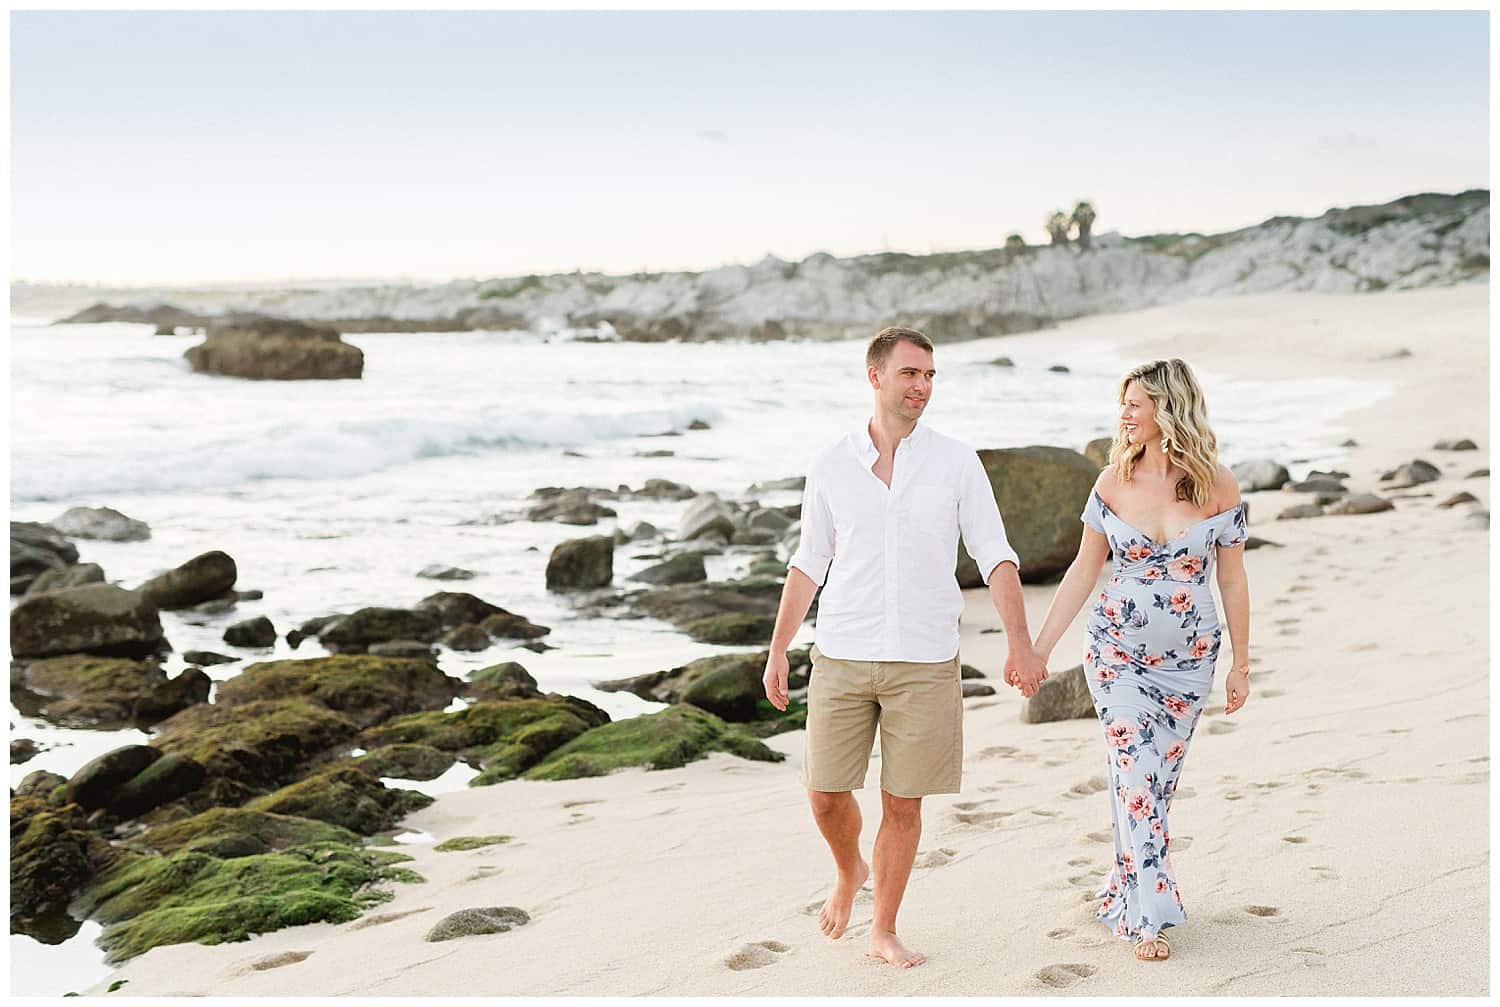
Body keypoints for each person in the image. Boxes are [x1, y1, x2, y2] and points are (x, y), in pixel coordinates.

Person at [762, 325, 1048, 969]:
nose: (922, 387)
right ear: (876, 377)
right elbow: (809, 560)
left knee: (902, 801)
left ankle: (883, 929)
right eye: (910, 374)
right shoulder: (831, 463)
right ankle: (849, 869)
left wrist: (1020, 645)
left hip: (924, 658)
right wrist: (778, 649)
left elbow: (995, 554)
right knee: (824, 793)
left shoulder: (956, 462)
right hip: (841, 651)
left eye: (929, 376)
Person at [1026, 357, 1252, 962]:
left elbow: (1232, 579)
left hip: (1189, 663)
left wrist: (1241, 662)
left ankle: (1124, 888)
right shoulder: (1110, 482)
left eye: (1134, 404)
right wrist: (1040, 647)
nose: (1123, 414)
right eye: (1122, 403)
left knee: (1155, 784)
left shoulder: (1217, 484)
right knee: (1135, 774)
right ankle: (1148, 918)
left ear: (1168, 410)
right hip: (1116, 653)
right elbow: (1083, 570)